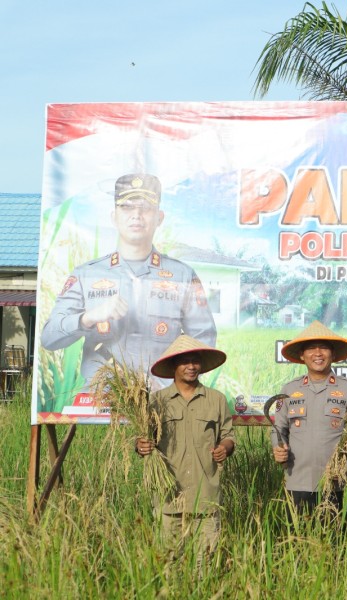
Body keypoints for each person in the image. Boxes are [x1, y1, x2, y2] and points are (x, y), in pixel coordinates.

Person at [41, 173, 217, 390]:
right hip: (101, 400)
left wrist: (165, 380)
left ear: (159, 217)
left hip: (162, 398)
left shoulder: (182, 276)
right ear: (114, 217)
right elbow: (49, 338)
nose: (136, 215)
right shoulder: (86, 275)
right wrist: (87, 318)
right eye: (127, 207)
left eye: (145, 208)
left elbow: (204, 341)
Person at [136, 335, 234, 558]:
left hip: (206, 497)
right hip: (169, 497)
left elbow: (229, 436)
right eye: (185, 361)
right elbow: (142, 439)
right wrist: (140, 445)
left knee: (206, 564)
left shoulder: (216, 399)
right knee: (169, 564)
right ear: (173, 366)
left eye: (195, 361)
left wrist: (225, 448)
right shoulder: (157, 401)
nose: (191, 367)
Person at [270, 320, 347, 514]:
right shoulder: (289, 389)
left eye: (324, 348)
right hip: (297, 478)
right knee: (296, 538)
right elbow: (278, 428)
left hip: (335, 481)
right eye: (311, 348)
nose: (318, 353)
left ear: (334, 354)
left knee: (335, 539)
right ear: (302, 355)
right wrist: (278, 447)